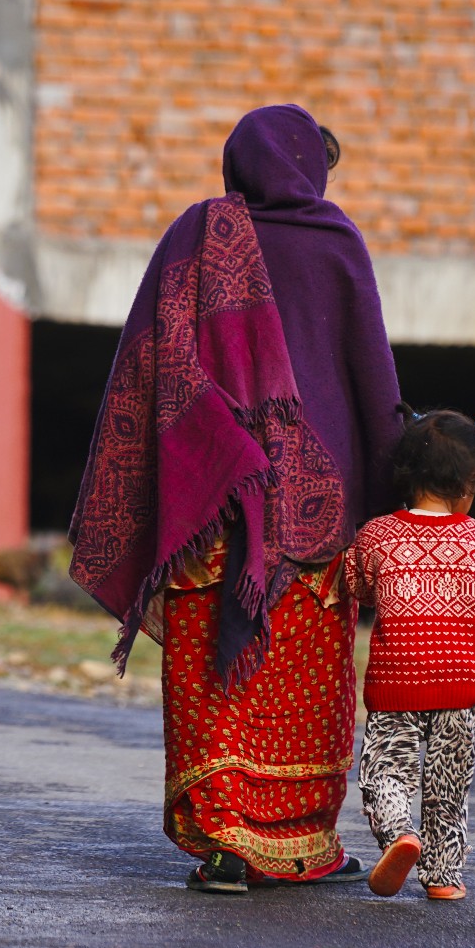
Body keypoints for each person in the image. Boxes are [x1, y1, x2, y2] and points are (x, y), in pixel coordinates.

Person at [69, 105, 406, 894]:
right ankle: (300, 841)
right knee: (303, 676)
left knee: (218, 673)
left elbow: (148, 365)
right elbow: (372, 373)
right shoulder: (337, 242)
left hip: (210, 497)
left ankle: (227, 842)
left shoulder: (196, 234)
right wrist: (401, 486)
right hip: (320, 510)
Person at [343, 408, 475, 901]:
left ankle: (399, 835)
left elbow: (357, 589)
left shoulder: (375, 535)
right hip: (464, 686)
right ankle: (444, 877)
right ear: (472, 479)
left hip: (396, 681)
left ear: (406, 474)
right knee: (447, 788)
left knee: (387, 771)